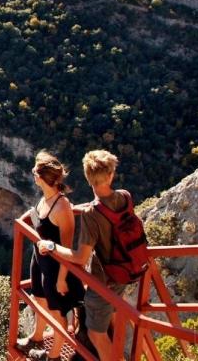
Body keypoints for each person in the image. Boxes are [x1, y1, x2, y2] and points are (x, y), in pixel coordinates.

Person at [39, 150, 136, 361]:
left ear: (87, 177)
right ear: (111, 175)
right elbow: (108, 210)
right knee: (114, 319)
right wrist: (83, 209)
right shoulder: (125, 196)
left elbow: (80, 257)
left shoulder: (92, 216)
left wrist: (52, 246)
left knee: (96, 333)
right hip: (126, 270)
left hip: (104, 281)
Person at [17, 152, 84, 360]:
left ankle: (53, 357)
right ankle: (37, 336)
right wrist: (22, 220)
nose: (32, 175)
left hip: (56, 268)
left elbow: (67, 247)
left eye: (35, 172)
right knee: (39, 300)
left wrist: (62, 279)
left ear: (41, 177)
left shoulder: (62, 206)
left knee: (57, 314)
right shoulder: (46, 198)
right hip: (40, 261)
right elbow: (37, 216)